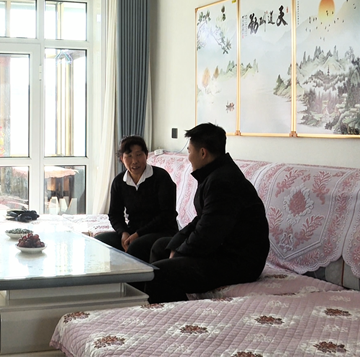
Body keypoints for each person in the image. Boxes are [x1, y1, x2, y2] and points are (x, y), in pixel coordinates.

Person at [145, 123, 269, 303]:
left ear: (203, 153)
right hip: (222, 248)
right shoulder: (215, 174)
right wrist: (176, 245)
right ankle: (169, 304)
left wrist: (180, 253)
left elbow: (208, 234)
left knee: (158, 274)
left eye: (189, 151)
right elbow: (202, 219)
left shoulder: (223, 181)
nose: (188, 157)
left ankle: (177, 314)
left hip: (239, 260)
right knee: (160, 247)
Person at [94, 135, 178, 264]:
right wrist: (123, 233)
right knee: (100, 241)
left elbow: (167, 215)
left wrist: (138, 234)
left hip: (162, 231)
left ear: (146, 155)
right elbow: (115, 214)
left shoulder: (161, 177)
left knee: (136, 246)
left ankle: (135, 278)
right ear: (121, 159)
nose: (134, 161)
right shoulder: (119, 182)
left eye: (139, 155)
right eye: (129, 156)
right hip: (133, 231)